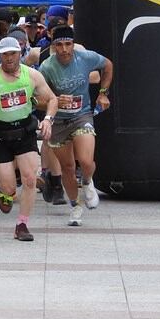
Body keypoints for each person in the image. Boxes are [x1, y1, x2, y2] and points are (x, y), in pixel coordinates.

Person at [0, 36, 58, 242]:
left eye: (13, 54)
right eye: (5, 54)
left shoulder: (31, 75)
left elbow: (52, 98)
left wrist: (49, 119)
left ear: (20, 53)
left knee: (30, 178)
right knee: (8, 186)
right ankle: (5, 193)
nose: (9, 58)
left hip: (24, 131)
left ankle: (22, 224)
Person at [37, 25, 113, 227]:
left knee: (86, 161)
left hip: (82, 115)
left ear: (73, 44)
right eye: (59, 45)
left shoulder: (86, 57)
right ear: (53, 46)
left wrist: (103, 93)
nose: (64, 49)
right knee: (68, 168)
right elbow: (36, 100)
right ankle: (75, 206)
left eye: (68, 44)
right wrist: (54, 102)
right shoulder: (47, 67)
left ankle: (88, 181)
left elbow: (108, 65)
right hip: (59, 121)